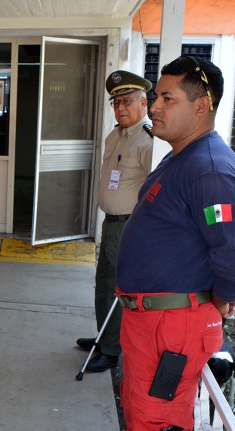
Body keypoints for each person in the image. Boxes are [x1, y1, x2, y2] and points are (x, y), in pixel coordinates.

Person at [90, 56, 235, 431]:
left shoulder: (210, 167)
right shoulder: (181, 156)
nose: (155, 107)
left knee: (161, 427)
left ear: (201, 105)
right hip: (148, 320)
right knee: (140, 413)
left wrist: (222, 296)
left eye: (168, 99)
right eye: (156, 98)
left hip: (173, 327)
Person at [76, 70, 154, 374]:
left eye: (127, 101)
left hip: (129, 226)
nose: (120, 108)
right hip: (110, 223)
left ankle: (111, 351)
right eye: (116, 102)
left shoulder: (147, 140)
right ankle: (104, 338)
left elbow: (157, 189)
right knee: (104, 286)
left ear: (144, 103)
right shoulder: (116, 135)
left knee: (118, 288)